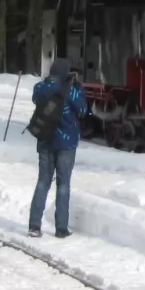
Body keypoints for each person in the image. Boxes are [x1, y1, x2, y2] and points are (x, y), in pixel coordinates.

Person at [29, 58, 88, 237]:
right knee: (63, 185)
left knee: (42, 182)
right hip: (67, 144)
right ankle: (61, 228)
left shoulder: (40, 88)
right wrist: (79, 86)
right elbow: (84, 111)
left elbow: (36, 98)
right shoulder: (72, 91)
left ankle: (34, 226)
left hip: (45, 142)